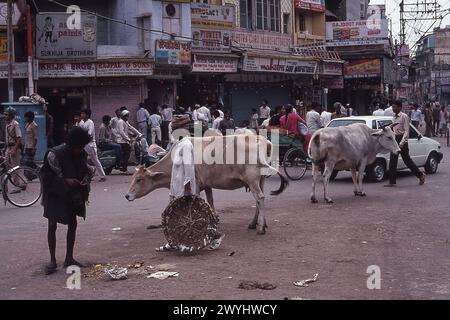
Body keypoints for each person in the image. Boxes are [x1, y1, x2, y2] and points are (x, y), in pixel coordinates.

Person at [40, 126, 94, 275]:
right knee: (52, 225)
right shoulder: (54, 154)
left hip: (72, 195)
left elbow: (87, 170)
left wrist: (85, 179)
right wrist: (65, 181)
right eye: (79, 147)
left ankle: (69, 258)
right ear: (71, 144)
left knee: (73, 223)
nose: (80, 149)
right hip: (54, 194)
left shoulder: (81, 153)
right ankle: (52, 261)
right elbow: (46, 177)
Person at [385, 100, 426, 188]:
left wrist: (402, 142)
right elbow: (394, 130)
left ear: (400, 107)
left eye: (395, 107)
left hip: (402, 139)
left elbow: (407, 131)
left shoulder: (404, 116)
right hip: (395, 139)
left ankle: (420, 175)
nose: (393, 108)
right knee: (392, 160)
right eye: (392, 107)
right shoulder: (394, 117)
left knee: (407, 160)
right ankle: (392, 181)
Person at [79, 109, 106, 182]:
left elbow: (89, 134)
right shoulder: (81, 122)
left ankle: (102, 176)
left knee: (95, 160)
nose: (81, 115)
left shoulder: (90, 123)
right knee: (81, 159)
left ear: (87, 115)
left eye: (83, 114)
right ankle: (88, 171)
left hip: (90, 144)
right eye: (81, 113)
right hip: (83, 144)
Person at [3, 107, 22, 189]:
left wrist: (14, 149)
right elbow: (7, 137)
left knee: (15, 167)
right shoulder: (7, 124)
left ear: (11, 115)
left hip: (14, 147)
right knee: (6, 166)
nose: (5, 116)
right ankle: (4, 186)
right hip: (8, 148)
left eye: (6, 114)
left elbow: (19, 138)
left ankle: (17, 186)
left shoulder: (15, 124)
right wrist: (5, 148)